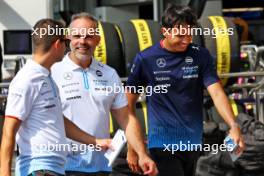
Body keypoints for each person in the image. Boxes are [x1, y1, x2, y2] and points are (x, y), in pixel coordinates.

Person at [126, 4, 245, 176]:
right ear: (165, 31)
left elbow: (217, 92)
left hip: (193, 142)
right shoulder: (146, 58)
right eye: (180, 35)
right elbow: (127, 104)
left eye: (189, 34)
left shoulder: (200, 55)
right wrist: (133, 147)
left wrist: (233, 126)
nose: (186, 40)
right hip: (162, 143)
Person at [0, 19, 112, 176]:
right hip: (39, 169)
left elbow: (59, 121)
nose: (69, 47)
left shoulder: (46, 76)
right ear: (58, 44)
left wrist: (96, 141)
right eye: (67, 41)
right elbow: (8, 130)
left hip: (52, 169)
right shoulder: (27, 79)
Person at [51, 13, 158, 176]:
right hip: (63, 167)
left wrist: (142, 154)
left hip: (100, 167)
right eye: (77, 36)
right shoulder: (52, 73)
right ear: (68, 39)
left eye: (88, 36)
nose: (82, 41)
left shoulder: (109, 74)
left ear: (97, 40)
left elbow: (126, 118)